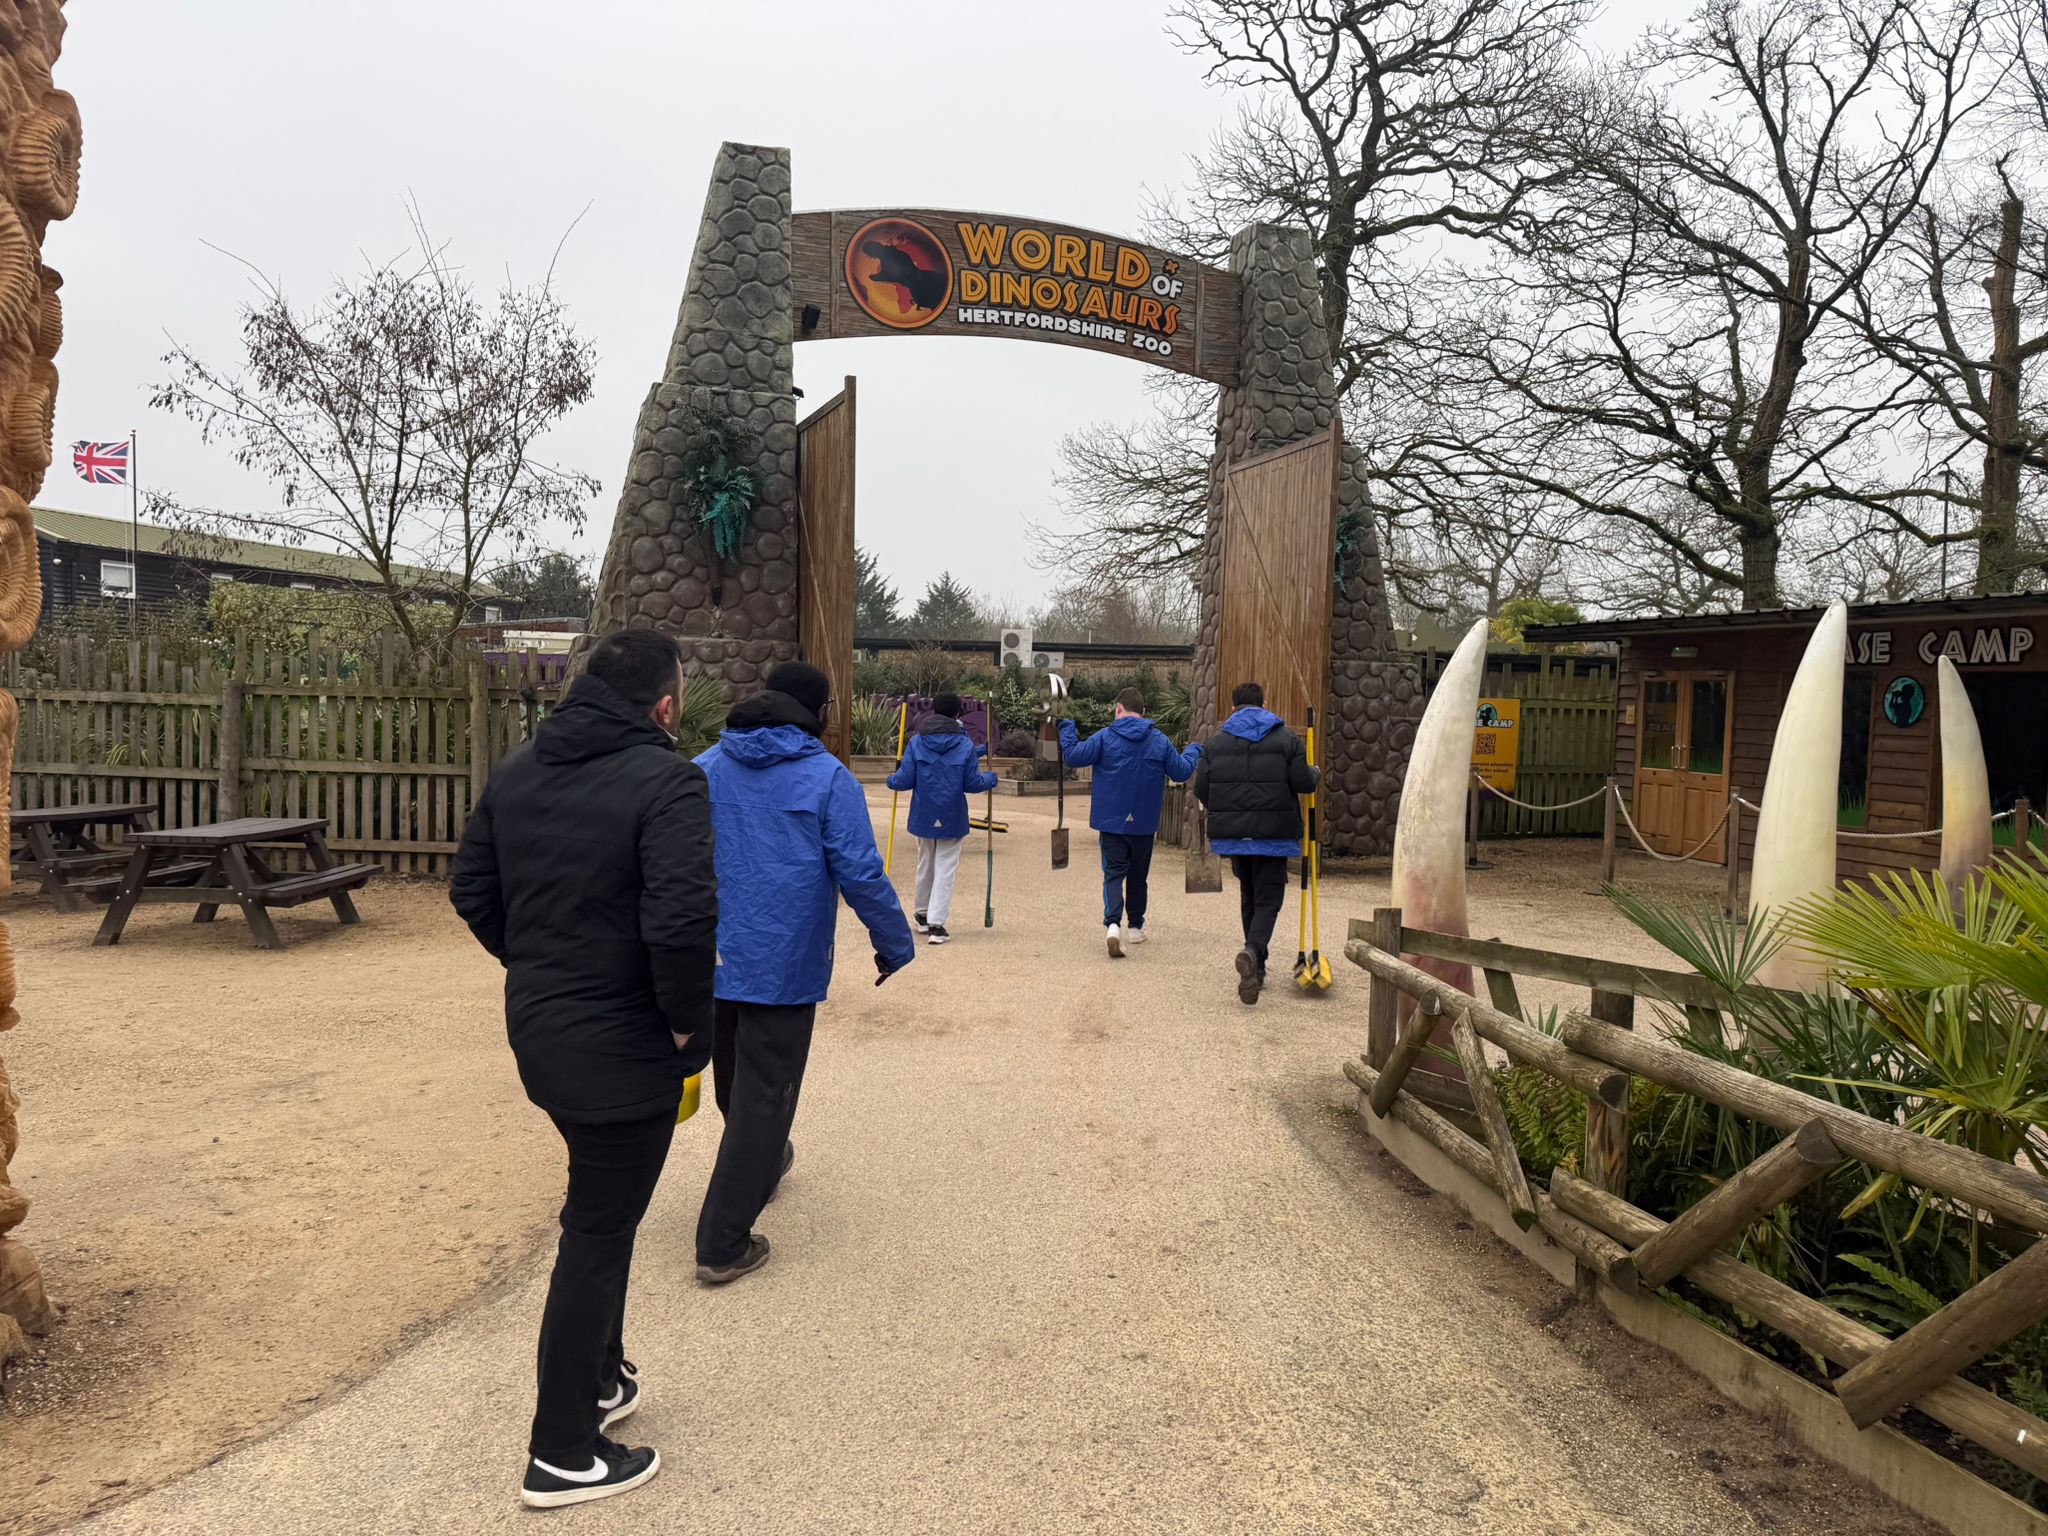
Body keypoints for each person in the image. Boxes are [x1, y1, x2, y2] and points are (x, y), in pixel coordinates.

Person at [450, 628, 716, 1510]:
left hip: (546, 1033)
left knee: (603, 1215)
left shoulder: (519, 770)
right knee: (596, 1235)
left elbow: (472, 893)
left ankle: (600, 1378)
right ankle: (562, 1450)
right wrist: (687, 1028)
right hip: (624, 1042)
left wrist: (542, 970)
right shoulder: (670, 781)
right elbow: (680, 925)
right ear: (665, 706)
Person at [692, 661, 916, 1284]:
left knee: (738, 1080)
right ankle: (722, 1240)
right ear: (816, 713)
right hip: (782, 962)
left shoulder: (704, 769)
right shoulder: (826, 778)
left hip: (709, 955)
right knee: (766, 1093)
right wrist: (894, 942)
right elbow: (862, 871)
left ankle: (762, 1162)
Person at [1194, 682, 1319, 1005]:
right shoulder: (1287, 739)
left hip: (1234, 835)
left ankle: (1257, 968)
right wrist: (1315, 773)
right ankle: (1252, 950)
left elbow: (1202, 789)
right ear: (1264, 704)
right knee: (1269, 900)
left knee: (1249, 896)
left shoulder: (1216, 742)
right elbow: (1303, 783)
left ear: (1233, 707)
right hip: (1274, 833)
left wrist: (1226, 809)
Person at [1059, 687, 1201, 957]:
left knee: (1113, 873)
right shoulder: (1158, 740)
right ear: (1144, 712)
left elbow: (1074, 755)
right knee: (1138, 875)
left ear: (1118, 709)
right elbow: (1181, 771)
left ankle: (1113, 925)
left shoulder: (1105, 737)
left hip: (1111, 820)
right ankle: (1135, 927)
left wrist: (1067, 727)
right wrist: (1194, 750)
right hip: (1144, 823)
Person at [886, 691, 999, 946]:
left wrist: (890, 780)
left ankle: (922, 914)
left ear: (933, 712)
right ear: (958, 715)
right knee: (945, 868)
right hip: (952, 815)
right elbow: (972, 783)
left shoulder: (916, 742)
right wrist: (992, 778)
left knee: (925, 863)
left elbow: (903, 781)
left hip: (923, 815)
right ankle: (937, 925)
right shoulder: (964, 744)